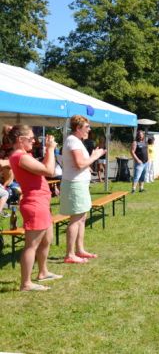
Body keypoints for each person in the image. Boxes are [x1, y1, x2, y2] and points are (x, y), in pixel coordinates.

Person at [8, 126, 62, 290]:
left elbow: (44, 169)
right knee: (31, 245)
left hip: (41, 203)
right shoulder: (20, 157)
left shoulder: (24, 155)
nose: (34, 141)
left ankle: (43, 272)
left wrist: (48, 152)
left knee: (46, 240)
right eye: (30, 138)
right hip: (34, 203)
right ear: (20, 140)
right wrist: (51, 150)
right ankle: (26, 283)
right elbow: (49, 170)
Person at [61, 115, 106, 264]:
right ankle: (70, 254)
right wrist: (95, 156)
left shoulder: (77, 141)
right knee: (75, 219)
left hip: (80, 183)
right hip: (75, 184)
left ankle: (79, 250)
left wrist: (93, 156)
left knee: (82, 218)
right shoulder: (73, 141)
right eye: (87, 127)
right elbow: (80, 164)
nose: (89, 129)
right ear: (78, 128)